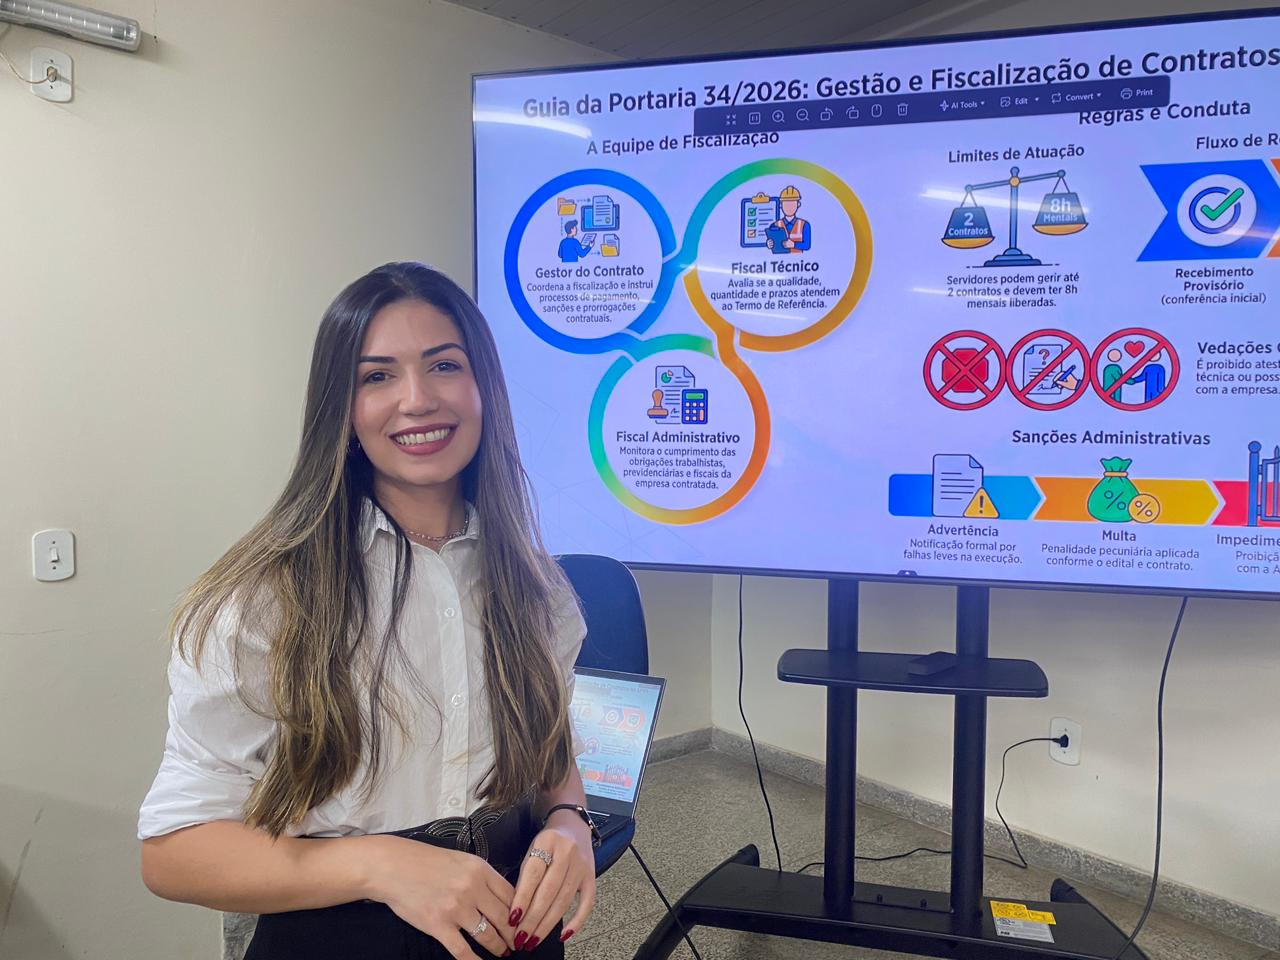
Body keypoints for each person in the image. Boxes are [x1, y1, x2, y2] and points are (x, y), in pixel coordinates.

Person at [139, 263, 597, 960]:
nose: (417, 400)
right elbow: (173, 853)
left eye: (444, 365)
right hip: (338, 933)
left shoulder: (539, 589)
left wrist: (568, 821)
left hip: (510, 926)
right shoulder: (263, 600)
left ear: (484, 388)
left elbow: (548, 753)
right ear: (343, 410)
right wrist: (381, 865)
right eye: (377, 376)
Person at [765, 185, 811, 254]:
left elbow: (807, 245)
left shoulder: (805, 225)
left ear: (798, 204)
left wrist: (794, 245)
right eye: (786, 204)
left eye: (792, 204)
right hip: (779, 259)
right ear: (781, 205)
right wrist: (769, 244)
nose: (789, 207)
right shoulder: (775, 225)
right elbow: (771, 241)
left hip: (799, 259)